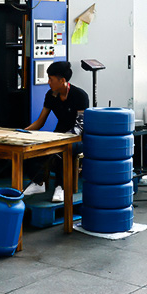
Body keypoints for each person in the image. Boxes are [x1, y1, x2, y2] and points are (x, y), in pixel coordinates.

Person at [23, 61, 89, 202]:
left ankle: (61, 187)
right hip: (58, 135)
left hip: (78, 139)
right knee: (30, 147)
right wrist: (23, 133)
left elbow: (79, 127)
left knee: (60, 150)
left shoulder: (80, 95)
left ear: (62, 80)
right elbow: (40, 122)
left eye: (51, 79)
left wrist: (60, 139)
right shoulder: (51, 95)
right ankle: (38, 183)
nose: (48, 82)